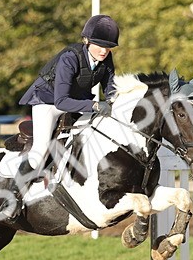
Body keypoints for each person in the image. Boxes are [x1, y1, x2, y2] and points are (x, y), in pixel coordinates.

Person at [15, 14, 119, 187]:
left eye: (108, 47)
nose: (103, 51)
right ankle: (13, 195)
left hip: (77, 103)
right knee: (40, 150)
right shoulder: (70, 58)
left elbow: (110, 87)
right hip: (49, 102)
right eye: (99, 46)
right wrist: (94, 105)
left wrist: (114, 101)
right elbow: (61, 102)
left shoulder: (106, 59)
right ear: (87, 41)